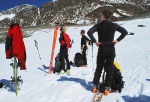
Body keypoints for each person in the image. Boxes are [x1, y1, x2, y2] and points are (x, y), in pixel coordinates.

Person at [87, 10, 128, 95]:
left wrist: (95, 41)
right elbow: (125, 32)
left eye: (101, 16)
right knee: (109, 70)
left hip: (102, 49)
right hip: (110, 49)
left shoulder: (98, 25)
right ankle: (107, 87)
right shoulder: (114, 25)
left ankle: (95, 86)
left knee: (99, 69)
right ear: (109, 17)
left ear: (102, 17)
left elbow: (89, 32)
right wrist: (117, 40)